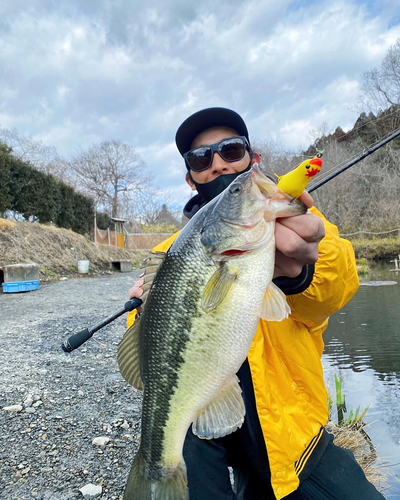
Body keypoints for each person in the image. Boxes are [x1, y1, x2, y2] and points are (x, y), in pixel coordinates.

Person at [126, 108, 384, 500]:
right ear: (190, 178)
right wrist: (140, 312)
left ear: (253, 160)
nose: (217, 165)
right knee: (183, 457)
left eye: (231, 150)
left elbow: (337, 289)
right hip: (202, 426)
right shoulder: (166, 256)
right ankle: (159, 469)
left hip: (292, 434)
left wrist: (299, 276)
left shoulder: (305, 225)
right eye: (201, 158)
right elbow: (151, 351)